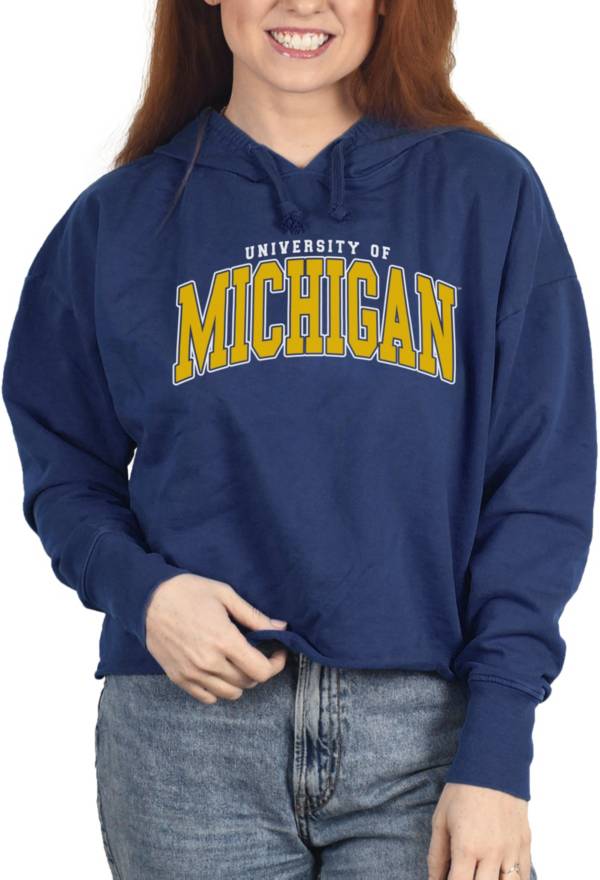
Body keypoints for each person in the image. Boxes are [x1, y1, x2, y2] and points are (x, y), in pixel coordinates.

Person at [2, 0, 595, 877]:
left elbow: (541, 483)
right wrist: (146, 595)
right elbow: (62, 465)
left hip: (430, 734)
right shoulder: (117, 221)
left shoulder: (486, 196)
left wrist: (500, 751)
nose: (304, 4)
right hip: (186, 737)